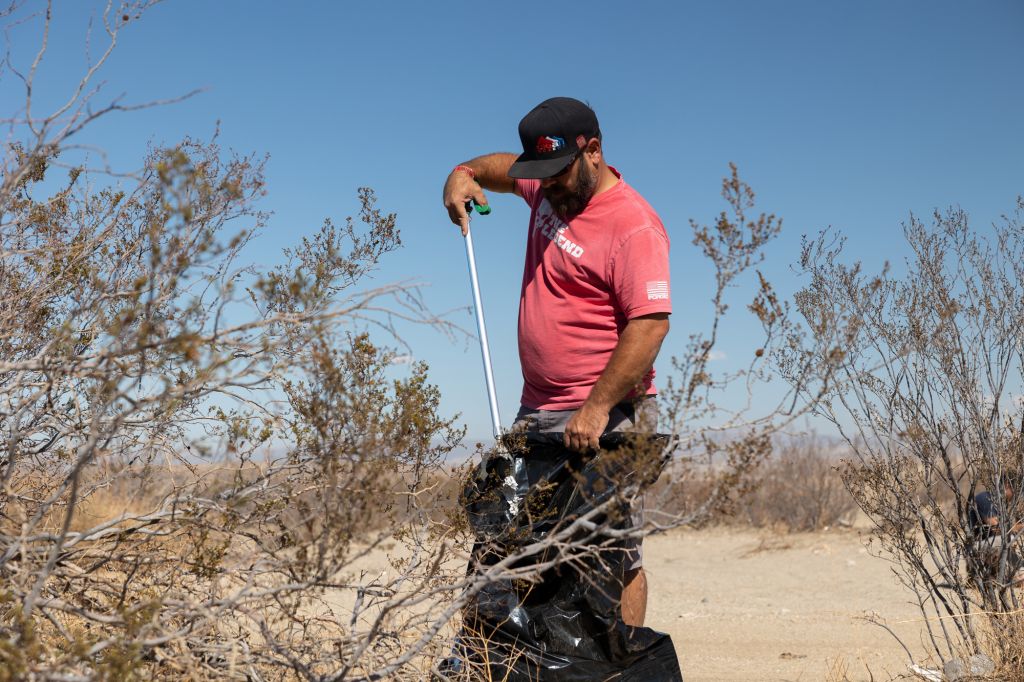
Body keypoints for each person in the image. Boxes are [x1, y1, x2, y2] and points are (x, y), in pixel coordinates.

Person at [442, 97, 671, 627]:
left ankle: (621, 663)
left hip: (607, 417)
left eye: (558, 175)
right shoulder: (549, 183)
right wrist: (462, 173)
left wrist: (596, 407)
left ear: (593, 152)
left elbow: (650, 323)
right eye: (539, 176)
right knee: (506, 547)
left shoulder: (634, 225)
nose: (548, 188)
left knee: (609, 556)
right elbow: (499, 168)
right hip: (536, 411)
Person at [968, 474, 1024, 586]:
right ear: (1007, 485)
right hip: (978, 548)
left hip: (991, 548)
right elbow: (996, 528)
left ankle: (998, 576)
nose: (1018, 495)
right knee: (1009, 539)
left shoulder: (1003, 504)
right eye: (1017, 491)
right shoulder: (985, 498)